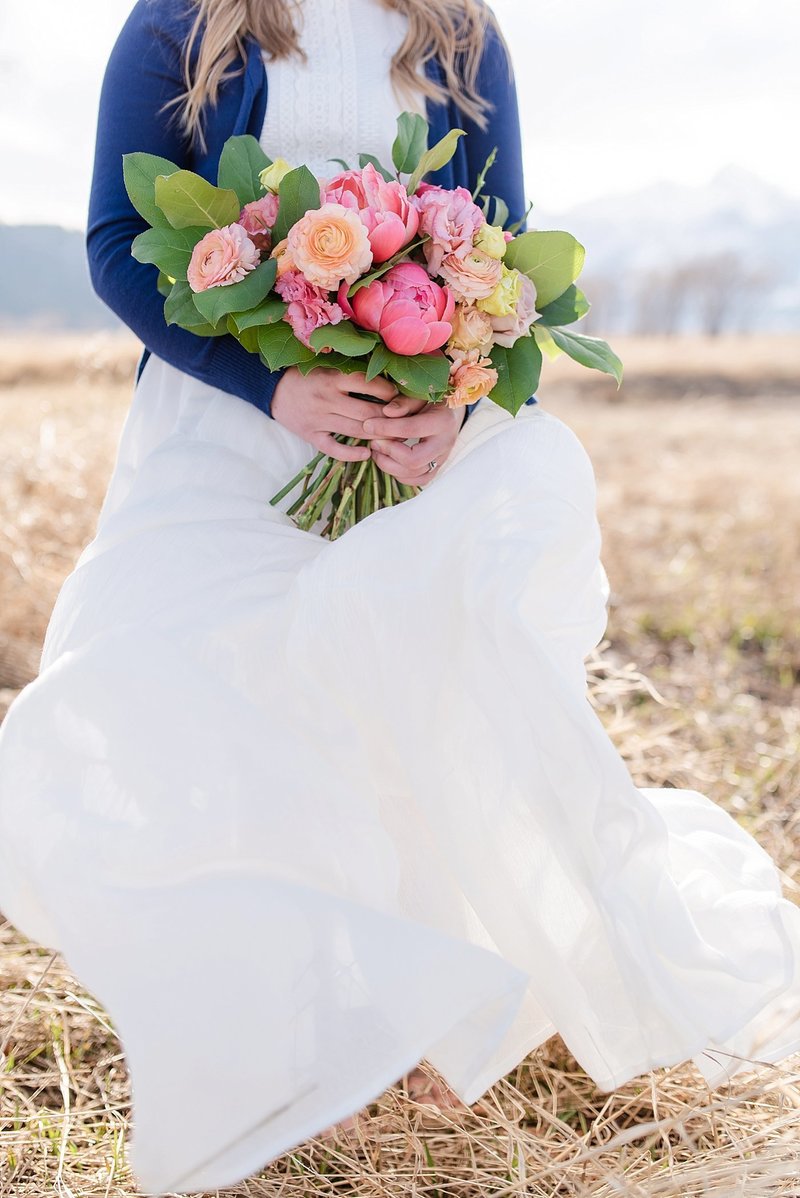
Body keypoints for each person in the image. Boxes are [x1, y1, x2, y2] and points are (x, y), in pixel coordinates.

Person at [1, 0, 799, 1193]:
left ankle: (422, 1021)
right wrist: (270, 387)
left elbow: (504, 255)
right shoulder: (184, 21)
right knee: (219, 694)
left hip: (415, 439)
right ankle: (293, 1034)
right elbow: (120, 240)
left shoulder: (460, 35)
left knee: (414, 694)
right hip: (225, 429)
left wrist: (448, 404)